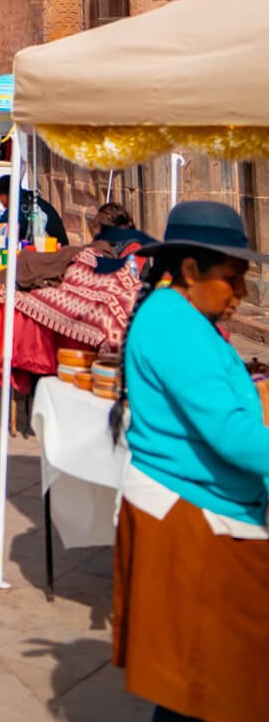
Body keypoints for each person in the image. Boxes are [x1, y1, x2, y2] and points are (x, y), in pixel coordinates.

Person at [109, 201, 269, 722]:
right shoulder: (173, 323)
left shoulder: (177, 314)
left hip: (198, 505)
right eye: (234, 278)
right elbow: (234, 437)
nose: (241, 294)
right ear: (192, 270)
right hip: (192, 515)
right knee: (205, 683)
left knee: (198, 681)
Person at [0, 172, 69, 246]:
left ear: (8, 194)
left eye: (0, 195)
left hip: (54, 252)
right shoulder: (27, 198)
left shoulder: (22, 206)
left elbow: (1, 229)